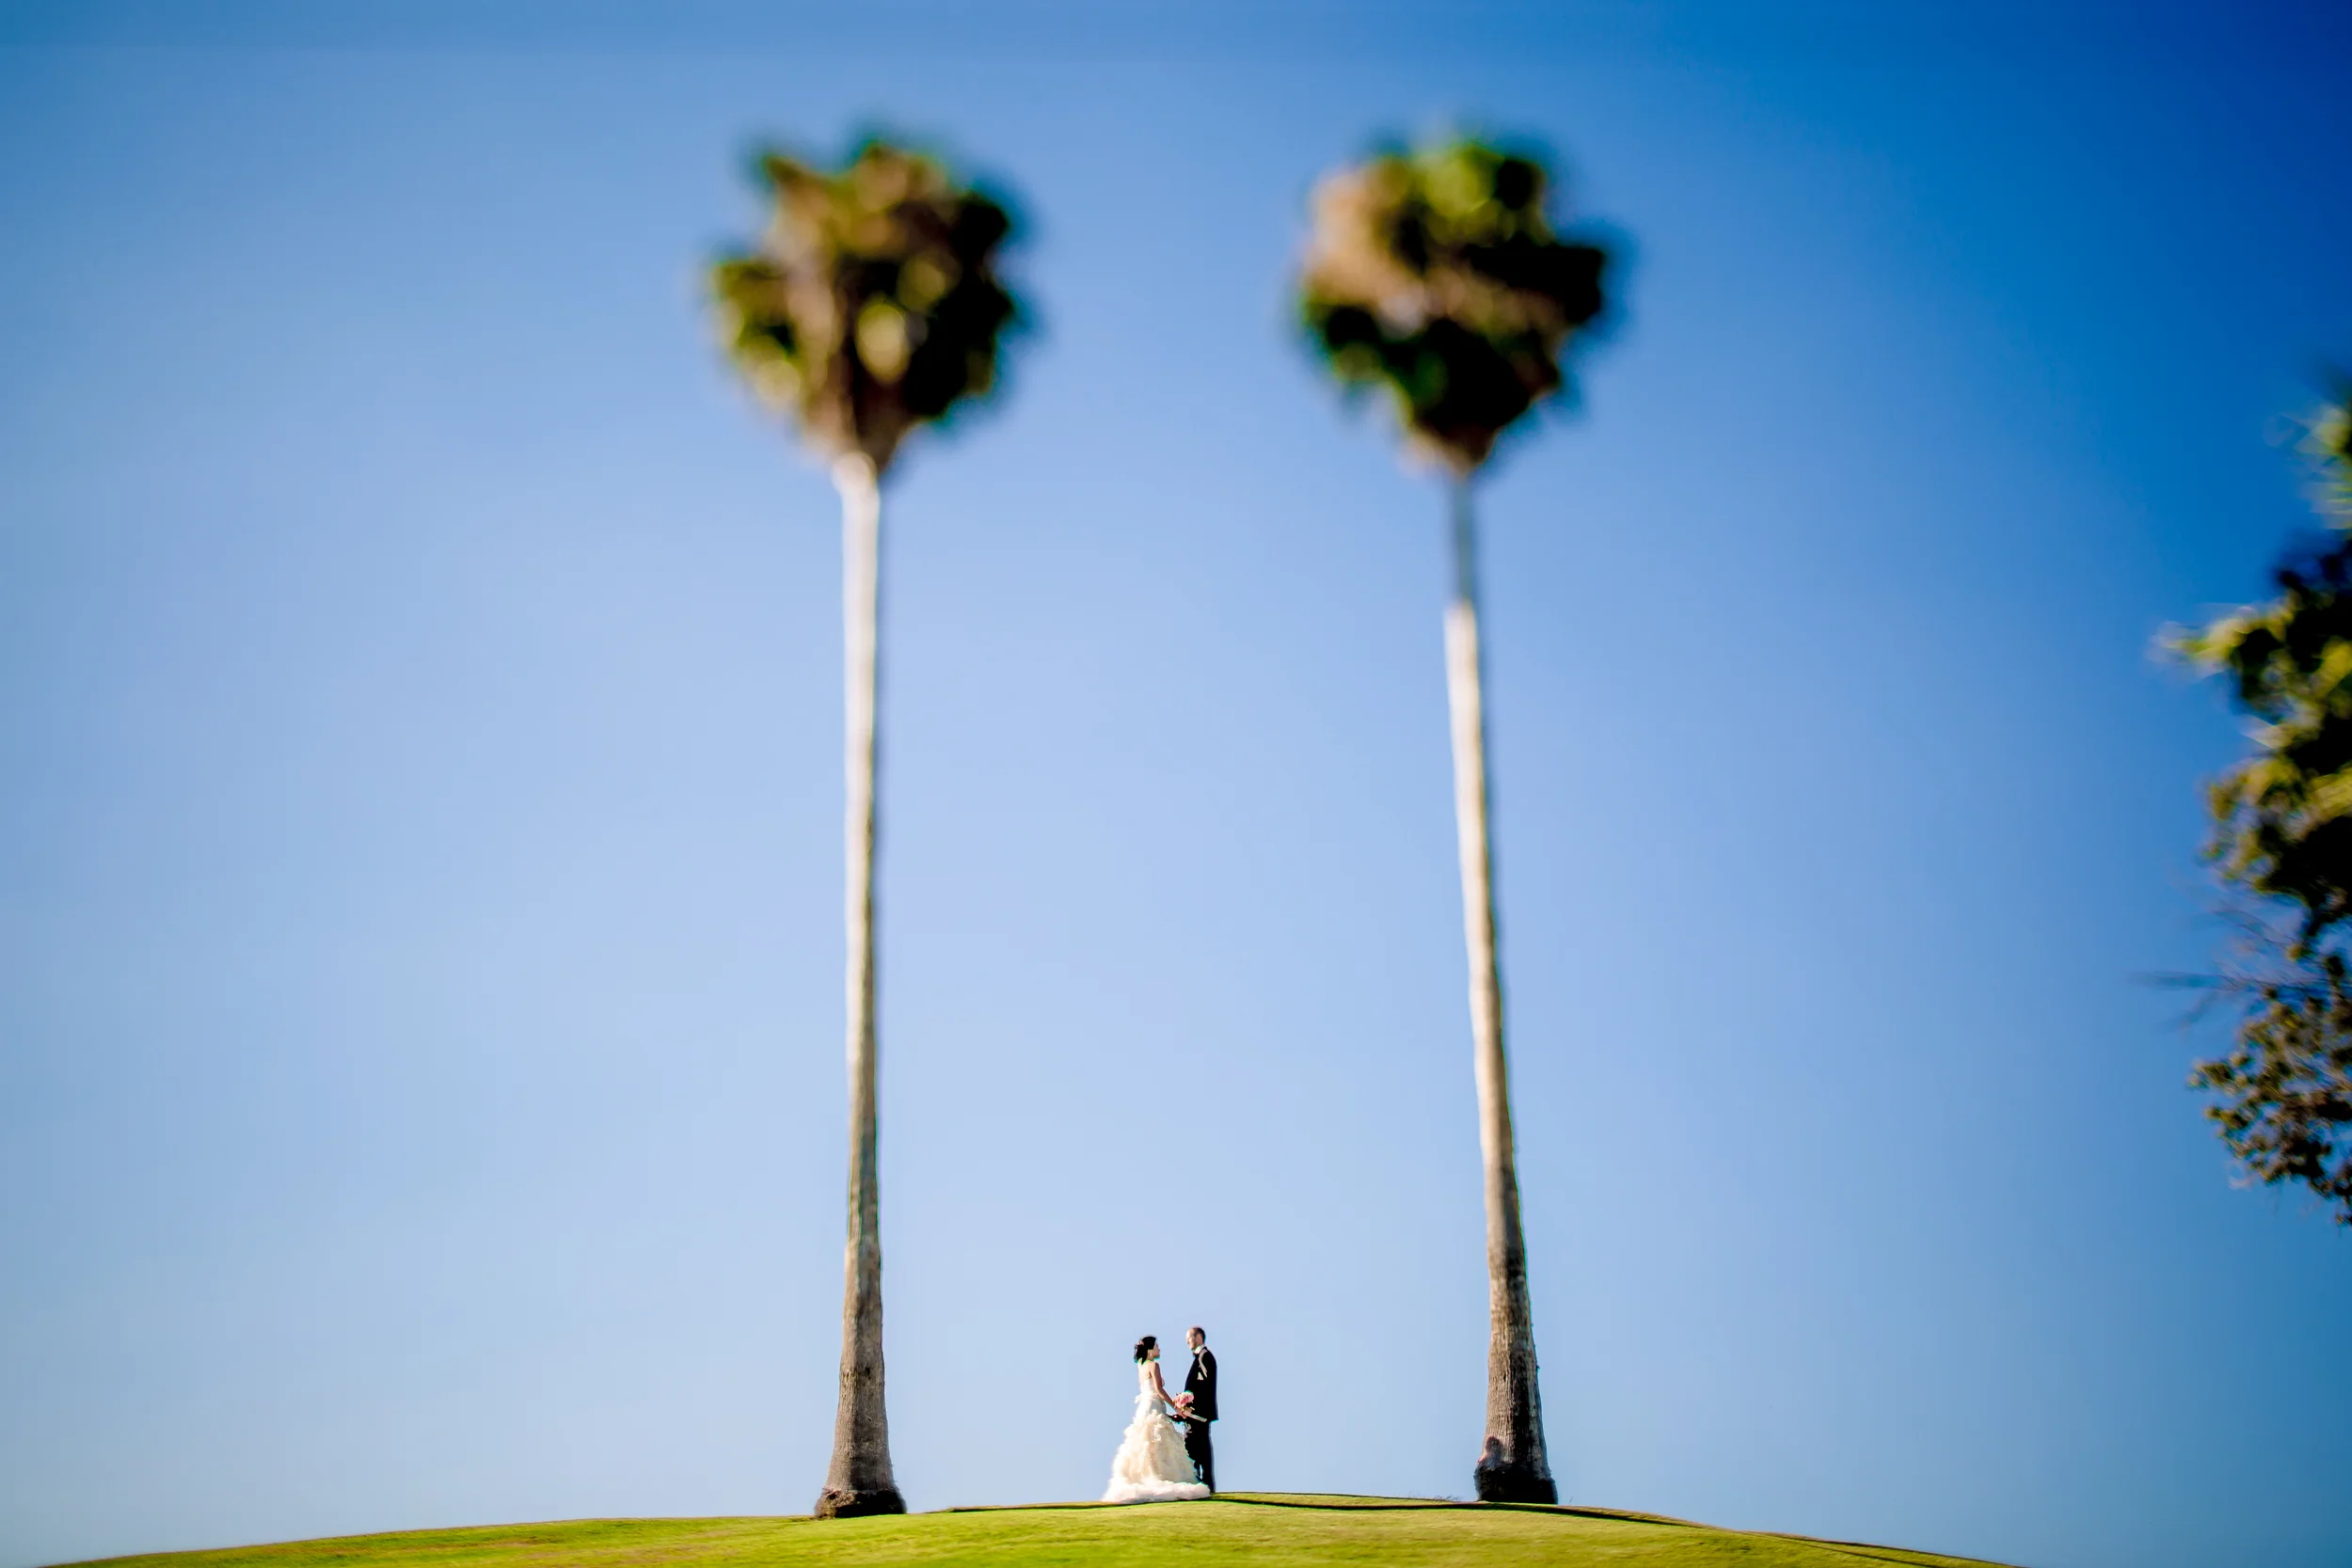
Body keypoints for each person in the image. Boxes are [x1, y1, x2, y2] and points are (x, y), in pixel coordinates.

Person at [1102, 1336, 1210, 1503]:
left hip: (1144, 1405)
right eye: (1157, 1346)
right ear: (1150, 1349)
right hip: (1154, 1403)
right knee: (1158, 1439)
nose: (1159, 1349)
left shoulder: (1141, 1366)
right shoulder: (1154, 1365)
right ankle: (1161, 1476)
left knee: (1146, 1440)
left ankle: (1144, 1475)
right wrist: (1176, 1406)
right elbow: (1159, 1390)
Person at [1180, 1325, 1217, 1492]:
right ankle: (1201, 1486)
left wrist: (1190, 1408)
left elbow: (1204, 1386)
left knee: (1197, 1450)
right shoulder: (1200, 1357)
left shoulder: (1204, 1356)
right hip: (1196, 1415)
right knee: (1198, 1450)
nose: (1188, 1342)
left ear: (1198, 1338)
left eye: (1189, 1339)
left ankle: (1202, 1487)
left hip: (1198, 1415)